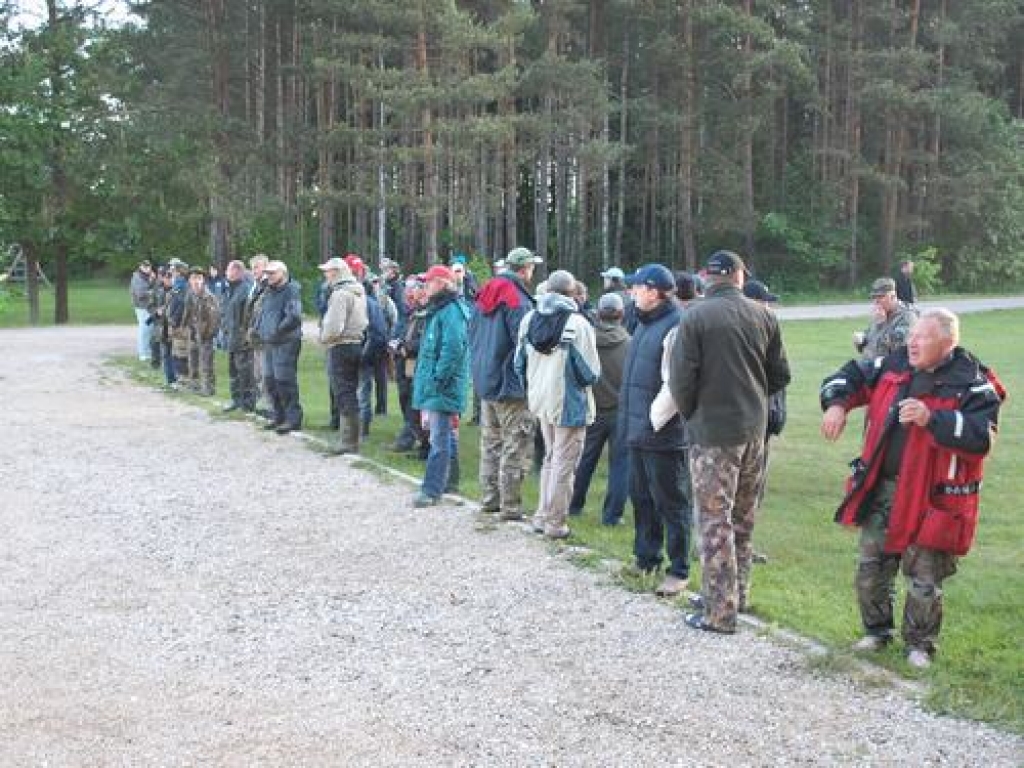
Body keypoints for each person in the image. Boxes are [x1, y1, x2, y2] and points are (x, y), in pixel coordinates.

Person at [820, 309, 1005, 668]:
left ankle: (920, 645)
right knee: (870, 566)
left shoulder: (972, 381)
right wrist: (837, 405)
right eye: (912, 335)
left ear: (948, 342)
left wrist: (931, 419)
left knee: (924, 576)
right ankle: (876, 632)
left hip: (932, 497)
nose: (912, 342)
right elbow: (850, 375)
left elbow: (983, 438)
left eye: (922, 337)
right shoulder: (894, 364)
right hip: (883, 488)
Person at [669, 250, 791, 633]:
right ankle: (738, 594)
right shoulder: (764, 315)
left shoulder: (695, 318)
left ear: (708, 278)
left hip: (713, 434)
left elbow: (681, 380)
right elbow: (779, 375)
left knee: (713, 520)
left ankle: (720, 610)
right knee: (742, 518)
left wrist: (693, 413)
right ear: (739, 277)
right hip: (753, 431)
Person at [619, 264, 691, 597]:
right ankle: (646, 557)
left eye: (637, 288)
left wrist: (652, 421)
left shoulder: (675, 326)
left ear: (654, 291)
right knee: (641, 497)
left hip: (663, 434)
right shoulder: (644, 324)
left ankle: (678, 570)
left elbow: (675, 384)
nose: (632, 293)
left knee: (671, 503)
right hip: (637, 430)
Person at [515, 270, 600, 539]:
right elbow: (590, 372)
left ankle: (541, 515)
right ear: (571, 293)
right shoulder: (577, 324)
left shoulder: (529, 319)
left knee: (551, 458)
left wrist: (534, 385)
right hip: (569, 402)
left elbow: (518, 363)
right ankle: (555, 522)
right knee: (565, 462)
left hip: (541, 399)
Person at [468, 246, 543, 521]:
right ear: (524, 269)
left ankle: (489, 499)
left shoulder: (484, 292)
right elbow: (523, 343)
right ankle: (510, 505)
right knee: (516, 442)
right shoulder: (517, 300)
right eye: (531, 267)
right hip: (510, 383)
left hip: (485, 379)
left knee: (490, 442)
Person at [568, 292, 630, 526]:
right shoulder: (630, 344)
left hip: (592, 408)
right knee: (620, 465)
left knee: (584, 459)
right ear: (621, 314)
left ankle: (573, 504)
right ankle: (612, 516)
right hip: (619, 411)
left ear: (598, 313)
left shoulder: (587, 340)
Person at [411, 264, 472, 507]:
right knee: (446, 435)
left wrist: (437, 379)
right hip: (439, 384)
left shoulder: (451, 312)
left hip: (443, 386)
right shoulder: (439, 310)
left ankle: (431, 489)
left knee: (439, 438)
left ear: (442, 284)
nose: (424, 287)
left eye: (429, 282)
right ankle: (451, 482)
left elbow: (453, 348)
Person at [318, 257, 368, 454]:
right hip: (356, 343)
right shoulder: (358, 291)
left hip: (341, 345)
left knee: (343, 393)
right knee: (351, 391)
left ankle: (348, 441)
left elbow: (334, 325)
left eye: (329, 271)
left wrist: (324, 337)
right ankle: (351, 438)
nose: (326, 275)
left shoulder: (340, 294)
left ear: (337, 273)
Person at [254, 260, 304, 434]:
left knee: (285, 380)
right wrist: (259, 328)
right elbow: (263, 312)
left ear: (283, 273)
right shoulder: (268, 291)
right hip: (269, 342)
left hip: (286, 342)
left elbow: (294, 316)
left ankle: (293, 419)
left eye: (272, 273)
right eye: (267, 273)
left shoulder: (291, 290)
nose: (268, 276)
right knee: (270, 380)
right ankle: (278, 415)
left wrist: (277, 330)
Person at [390, 274, 430, 455]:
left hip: (416, 362)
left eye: (414, 288)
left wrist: (408, 347)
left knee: (415, 404)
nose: (410, 292)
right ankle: (418, 440)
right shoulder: (412, 311)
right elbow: (403, 331)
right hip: (404, 362)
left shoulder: (428, 313)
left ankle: (412, 440)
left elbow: (427, 340)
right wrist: (396, 343)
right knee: (405, 399)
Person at [219, 260, 257, 412]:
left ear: (237, 272)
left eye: (229, 270)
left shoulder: (245, 290)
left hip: (241, 339)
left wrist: (244, 335)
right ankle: (236, 400)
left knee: (245, 372)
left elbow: (248, 316)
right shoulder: (229, 289)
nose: (226, 273)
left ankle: (247, 403)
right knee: (233, 371)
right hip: (230, 337)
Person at [853, 277, 917, 360]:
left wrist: (882, 325)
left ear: (893, 297)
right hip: (868, 365)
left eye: (880, 297)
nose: (876, 301)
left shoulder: (908, 316)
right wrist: (861, 341)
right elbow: (870, 342)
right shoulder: (881, 314)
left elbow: (897, 348)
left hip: (890, 369)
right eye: (874, 297)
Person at [182, 266, 221, 396]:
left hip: (205, 335)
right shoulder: (190, 294)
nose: (196, 281)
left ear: (203, 280)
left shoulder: (209, 297)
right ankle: (194, 385)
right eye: (193, 278)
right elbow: (187, 313)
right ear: (189, 280)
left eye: (199, 278)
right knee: (192, 361)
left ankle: (208, 389)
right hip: (193, 332)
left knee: (206, 363)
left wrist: (208, 334)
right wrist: (186, 327)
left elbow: (214, 320)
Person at [129, 260, 155, 362]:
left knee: (149, 329)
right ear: (140, 267)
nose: (147, 268)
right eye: (145, 266)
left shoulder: (146, 277)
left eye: (148, 266)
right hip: (141, 307)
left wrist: (152, 281)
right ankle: (143, 353)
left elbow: (150, 287)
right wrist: (152, 292)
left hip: (147, 307)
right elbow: (140, 294)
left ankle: (147, 352)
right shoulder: (138, 277)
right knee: (144, 330)